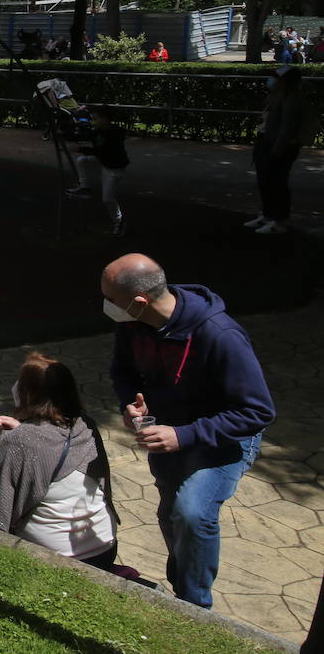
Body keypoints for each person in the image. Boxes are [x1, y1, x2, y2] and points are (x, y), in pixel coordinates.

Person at [102, 253, 275, 608]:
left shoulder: (220, 335)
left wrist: (183, 435)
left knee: (193, 514)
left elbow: (257, 410)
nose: (106, 307)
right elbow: (123, 372)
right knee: (171, 515)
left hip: (222, 438)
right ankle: (183, 589)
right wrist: (129, 403)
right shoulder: (133, 324)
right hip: (169, 433)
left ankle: (196, 608)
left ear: (139, 301)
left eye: (111, 300)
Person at [0, 353, 119, 571]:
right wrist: (20, 429)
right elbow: (52, 446)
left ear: (26, 393)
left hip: (60, 558)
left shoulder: (19, 440)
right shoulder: (85, 424)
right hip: (104, 547)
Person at [245, 66, 309, 235]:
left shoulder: (292, 99)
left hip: (279, 146)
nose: (271, 80)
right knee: (265, 180)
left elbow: (286, 128)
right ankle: (268, 215)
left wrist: (277, 150)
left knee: (277, 182)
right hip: (267, 142)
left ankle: (279, 220)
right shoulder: (277, 97)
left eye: (275, 77)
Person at [66, 104, 130, 236]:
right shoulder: (98, 130)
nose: (93, 122)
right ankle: (84, 187)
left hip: (114, 168)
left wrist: (80, 149)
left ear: (105, 119)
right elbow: (84, 136)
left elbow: (102, 151)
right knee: (82, 161)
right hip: (104, 162)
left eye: (96, 119)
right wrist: (65, 134)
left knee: (108, 199)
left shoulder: (114, 133)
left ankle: (119, 222)